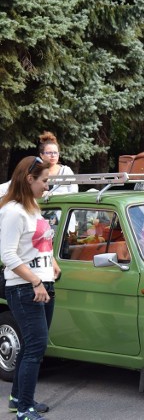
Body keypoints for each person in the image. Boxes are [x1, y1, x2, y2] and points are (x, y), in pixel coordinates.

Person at [0, 156, 60, 420]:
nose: (47, 186)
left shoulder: (32, 206)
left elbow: (40, 243)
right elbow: (8, 255)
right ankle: (24, 409)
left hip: (43, 284)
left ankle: (18, 398)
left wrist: (53, 264)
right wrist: (35, 281)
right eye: (44, 181)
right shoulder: (13, 211)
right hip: (25, 287)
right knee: (35, 346)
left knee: (31, 346)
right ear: (29, 179)